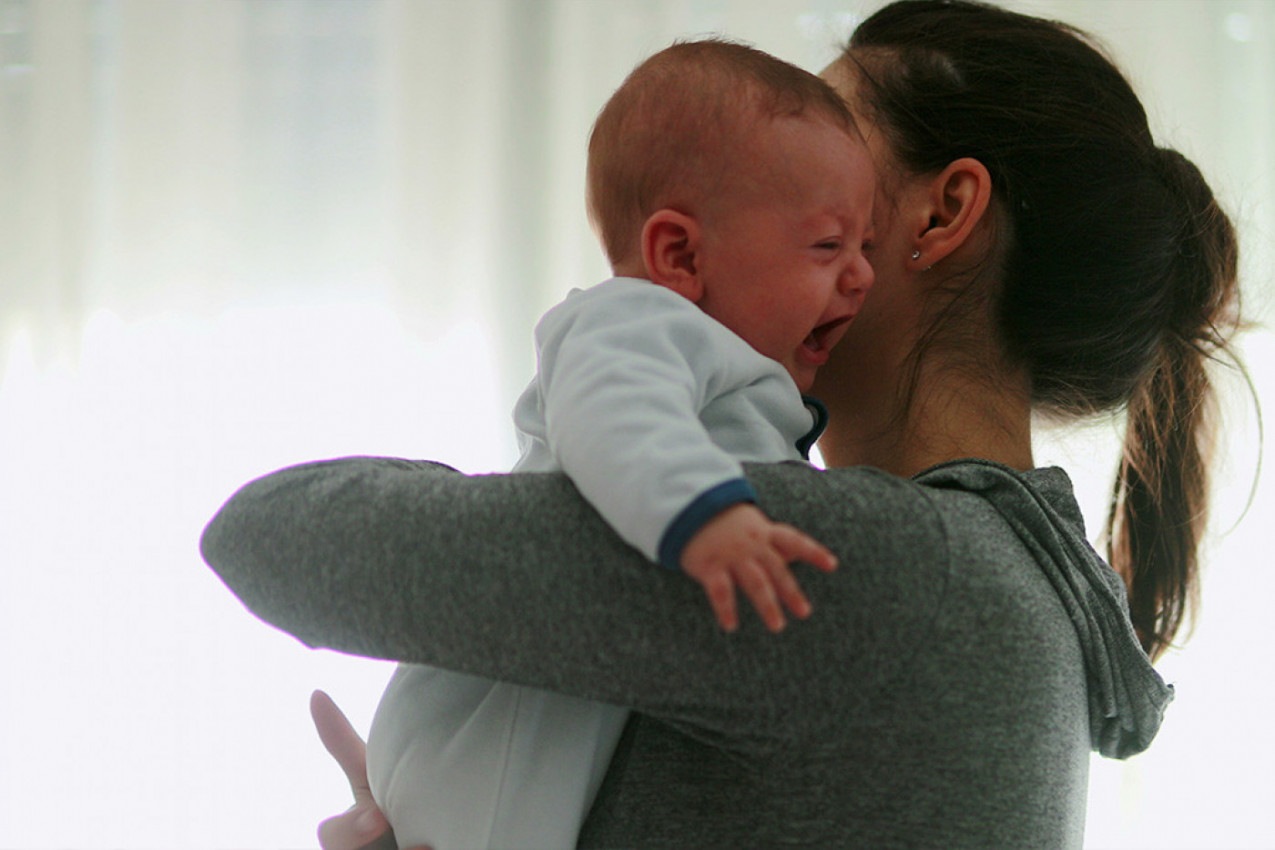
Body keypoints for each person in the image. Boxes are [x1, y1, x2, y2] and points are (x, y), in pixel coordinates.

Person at [201, 1, 1243, 846]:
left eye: (829, 146)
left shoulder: (823, 564)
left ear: (939, 215)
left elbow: (270, 535)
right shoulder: (1022, 597)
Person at [364, 39, 874, 850]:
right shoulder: (632, 319)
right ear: (680, 254)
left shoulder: (722, 360)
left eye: (867, 250)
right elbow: (613, 414)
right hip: (492, 722)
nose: (860, 277)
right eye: (827, 247)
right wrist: (705, 517)